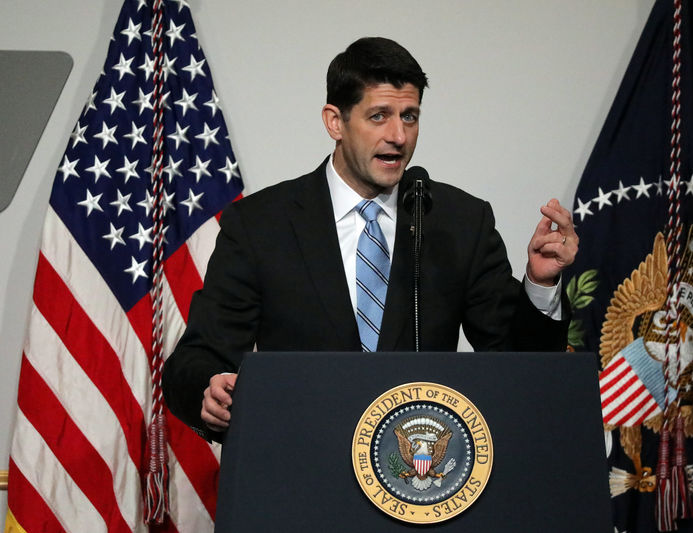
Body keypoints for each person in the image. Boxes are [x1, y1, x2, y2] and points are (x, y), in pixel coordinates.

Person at [162, 37, 579, 441]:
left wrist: (540, 283)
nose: (398, 136)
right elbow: (197, 358)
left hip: (422, 478)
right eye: (379, 116)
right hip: (300, 473)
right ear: (334, 122)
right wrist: (209, 391)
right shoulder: (261, 224)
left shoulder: (458, 221)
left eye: (410, 117)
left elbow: (519, 366)